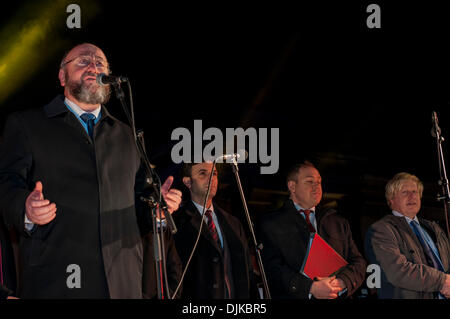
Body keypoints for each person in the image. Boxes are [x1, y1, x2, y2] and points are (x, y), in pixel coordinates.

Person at [0, 43, 182, 298]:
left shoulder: (128, 135)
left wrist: (157, 210)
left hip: (122, 283)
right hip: (56, 280)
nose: (93, 66)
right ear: (62, 76)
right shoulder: (27, 125)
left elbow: (139, 208)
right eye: (83, 61)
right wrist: (26, 209)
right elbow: (6, 184)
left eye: (100, 62)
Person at [257, 161, 367, 299]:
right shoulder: (271, 223)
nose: (316, 187)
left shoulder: (338, 222)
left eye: (319, 182)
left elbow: (359, 262)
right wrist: (310, 288)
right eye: (309, 182)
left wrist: (341, 282)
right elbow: (271, 268)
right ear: (292, 186)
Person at [172, 162, 256, 298]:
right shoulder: (177, 221)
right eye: (203, 173)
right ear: (188, 182)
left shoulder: (233, 223)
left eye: (214, 174)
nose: (211, 179)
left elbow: (248, 273)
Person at [365, 172, 450, 299]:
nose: (412, 196)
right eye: (405, 192)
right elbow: (396, 271)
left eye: (415, 192)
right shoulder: (381, 230)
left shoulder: (433, 228)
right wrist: (442, 281)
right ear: (391, 199)